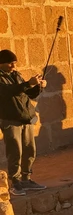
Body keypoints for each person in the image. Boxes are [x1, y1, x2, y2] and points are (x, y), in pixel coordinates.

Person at [0, 50, 47, 195]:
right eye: (10, 63)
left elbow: (29, 94)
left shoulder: (16, 75)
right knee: (15, 151)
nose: (13, 66)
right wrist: (28, 83)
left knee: (29, 150)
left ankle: (27, 178)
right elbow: (9, 91)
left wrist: (39, 86)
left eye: (14, 63)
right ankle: (15, 182)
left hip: (26, 118)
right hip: (10, 120)